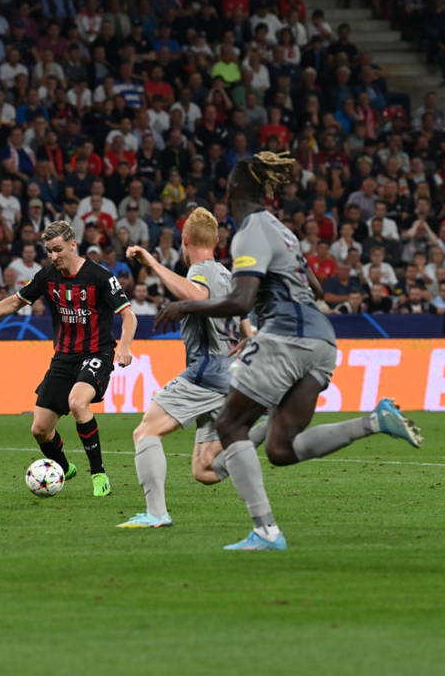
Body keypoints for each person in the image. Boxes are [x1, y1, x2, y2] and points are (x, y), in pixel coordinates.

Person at [155, 153, 423, 551]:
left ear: (232, 192)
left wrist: (185, 306)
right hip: (321, 342)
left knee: (229, 426)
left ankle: (265, 531)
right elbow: (312, 288)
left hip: (288, 339)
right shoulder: (283, 231)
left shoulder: (248, 232)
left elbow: (242, 300)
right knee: (281, 448)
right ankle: (374, 421)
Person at [0, 220, 137, 497]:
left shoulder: (100, 275)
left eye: (58, 249)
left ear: (73, 244)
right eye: (49, 251)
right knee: (39, 430)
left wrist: (124, 346)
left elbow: (128, 315)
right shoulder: (48, 276)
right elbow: (15, 301)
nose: (54, 256)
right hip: (63, 357)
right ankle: (63, 467)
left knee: (77, 402)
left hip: (97, 352)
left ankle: (98, 474)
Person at [118, 208, 257, 529]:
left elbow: (196, 295)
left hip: (206, 371)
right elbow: (246, 318)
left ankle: (156, 514)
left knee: (145, 432)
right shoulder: (227, 273)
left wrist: (153, 263)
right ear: (217, 240)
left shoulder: (202, 272)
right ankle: (257, 432)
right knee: (205, 469)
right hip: (231, 376)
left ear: (183, 241)